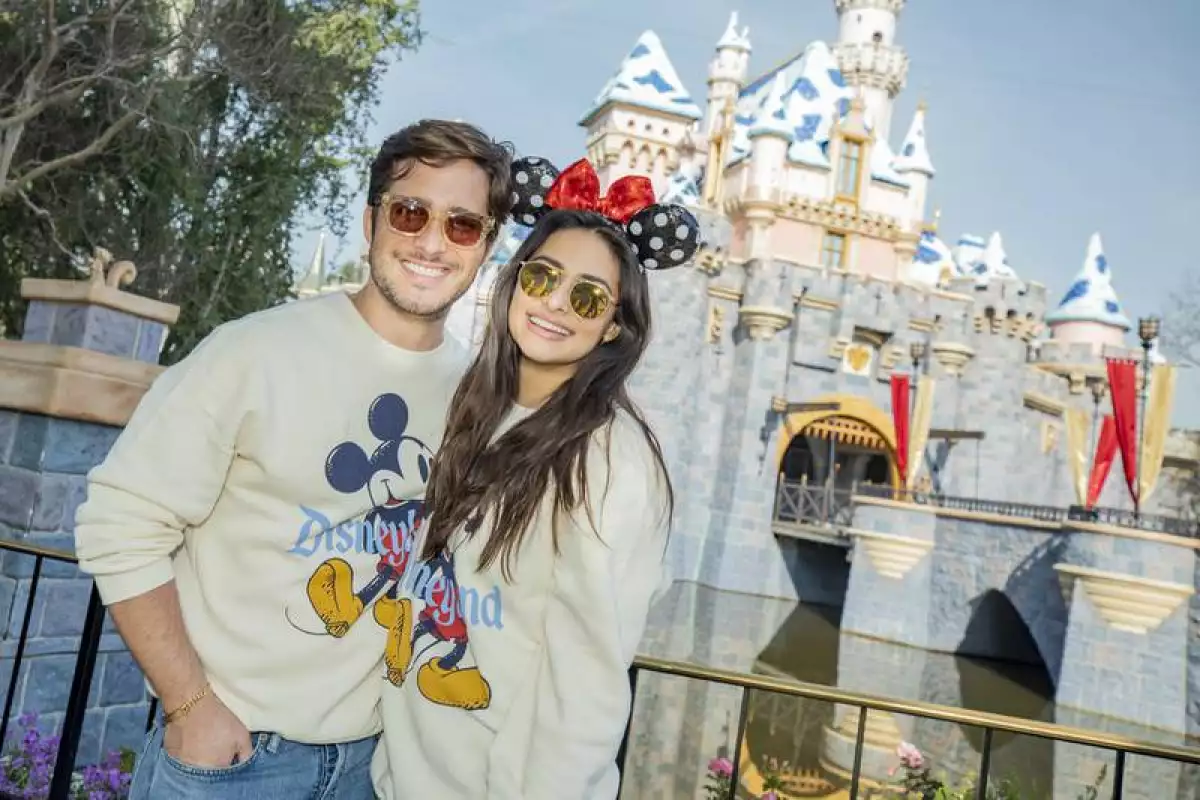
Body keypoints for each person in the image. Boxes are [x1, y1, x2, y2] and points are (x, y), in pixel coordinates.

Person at [72, 118, 514, 798]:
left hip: (378, 765)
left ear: (486, 245)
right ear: (371, 223)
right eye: (410, 212)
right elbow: (117, 525)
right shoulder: (252, 352)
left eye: (461, 224)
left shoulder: (476, 397)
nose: (431, 241)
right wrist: (191, 707)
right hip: (234, 758)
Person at [369, 154, 702, 799]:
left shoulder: (608, 460)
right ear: (515, 282)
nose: (555, 304)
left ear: (614, 325)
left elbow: (584, 688)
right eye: (542, 276)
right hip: (397, 779)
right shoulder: (473, 408)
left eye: (587, 295)